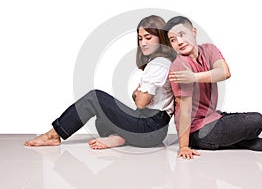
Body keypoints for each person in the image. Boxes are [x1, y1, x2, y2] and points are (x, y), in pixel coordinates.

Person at [24, 15, 177, 149]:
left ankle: (53, 135)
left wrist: (137, 93)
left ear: (161, 38)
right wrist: (137, 93)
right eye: (140, 38)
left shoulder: (159, 63)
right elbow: (142, 101)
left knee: (94, 98)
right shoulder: (157, 62)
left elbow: (141, 103)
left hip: (150, 129)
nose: (143, 43)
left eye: (148, 38)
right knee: (102, 120)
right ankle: (120, 137)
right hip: (149, 127)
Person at [164, 16, 262, 159]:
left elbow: (224, 72)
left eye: (182, 34)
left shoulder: (209, 49)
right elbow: (184, 108)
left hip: (212, 117)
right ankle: (233, 141)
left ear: (194, 31)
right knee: (256, 120)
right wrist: (184, 146)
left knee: (252, 121)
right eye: (173, 40)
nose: (179, 42)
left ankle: (235, 141)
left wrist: (194, 77)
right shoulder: (179, 65)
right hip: (197, 131)